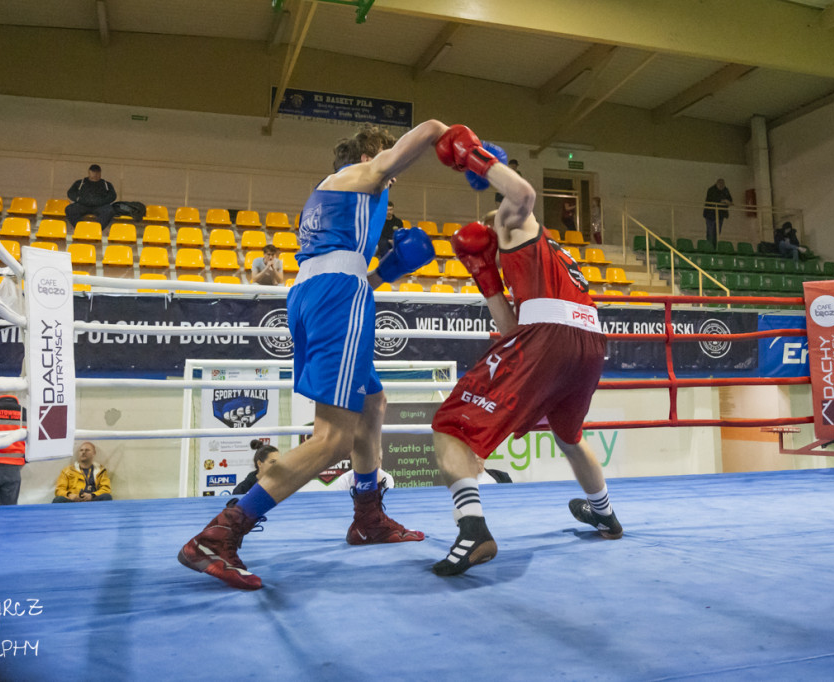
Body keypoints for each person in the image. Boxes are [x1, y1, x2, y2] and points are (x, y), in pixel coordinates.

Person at [179, 120, 447, 590]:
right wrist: (457, 141)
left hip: (325, 291)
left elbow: (347, 267)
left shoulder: (336, 197)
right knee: (334, 438)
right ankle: (219, 535)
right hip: (336, 298)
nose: (394, 173)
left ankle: (369, 517)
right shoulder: (361, 176)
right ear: (369, 156)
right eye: (386, 158)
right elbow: (424, 133)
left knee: (371, 403)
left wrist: (388, 269)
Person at [429, 124, 621, 577]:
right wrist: (484, 273)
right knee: (569, 436)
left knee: (449, 424)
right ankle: (605, 514)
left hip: (549, 339)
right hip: (590, 344)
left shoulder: (513, 220)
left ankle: (472, 528)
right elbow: (510, 326)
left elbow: (523, 194)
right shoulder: (556, 252)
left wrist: (471, 155)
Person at [65, 164, 118, 229]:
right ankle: (80, 228)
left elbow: (113, 195)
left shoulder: (106, 184)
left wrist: (102, 201)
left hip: (100, 206)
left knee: (109, 210)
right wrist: (78, 199)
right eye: (93, 172)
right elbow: (70, 193)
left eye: (97, 172)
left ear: (100, 173)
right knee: (70, 209)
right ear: (89, 172)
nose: (95, 174)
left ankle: (96, 228)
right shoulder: (80, 183)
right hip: (83, 205)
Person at [702, 178, 733, 248]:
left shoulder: (726, 190)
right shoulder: (711, 190)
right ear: (717, 184)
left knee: (717, 233)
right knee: (710, 232)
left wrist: (727, 201)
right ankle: (709, 247)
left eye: (723, 185)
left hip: (720, 215)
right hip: (710, 214)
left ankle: (715, 247)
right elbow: (712, 200)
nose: (722, 186)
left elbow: (730, 200)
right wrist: (723, 201)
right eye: (720, 185)